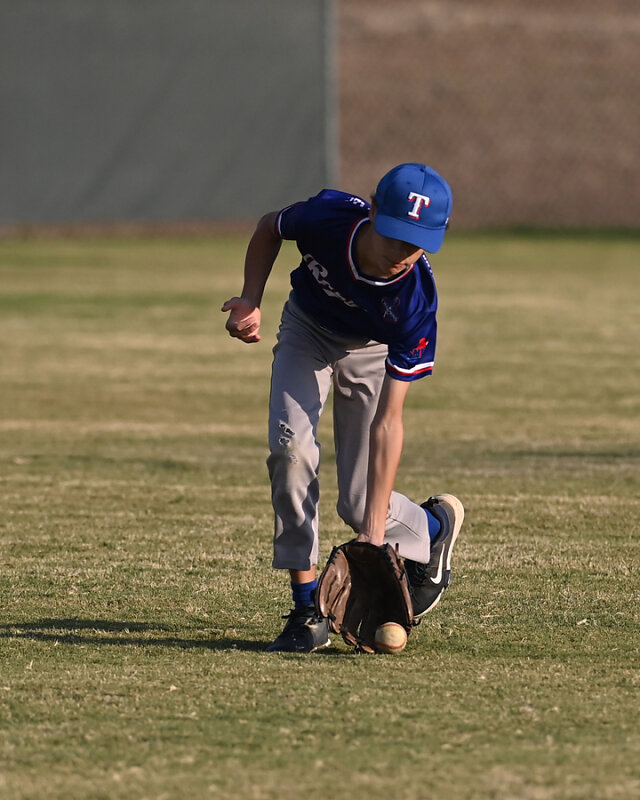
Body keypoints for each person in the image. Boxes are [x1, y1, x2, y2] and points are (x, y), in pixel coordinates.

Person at [222, 162, 464, 653]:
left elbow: (388, 423)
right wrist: (251, 298)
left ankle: (434, 526)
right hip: (307, 331)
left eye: (417, 243)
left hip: (371, 352)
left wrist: (372, 539)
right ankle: (306, 610)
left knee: (359, 506)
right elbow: (270, 227)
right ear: (372, 212)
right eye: (395, 235)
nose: (402, 252)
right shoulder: (328, 217)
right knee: (291, 454)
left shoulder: (416, 302)